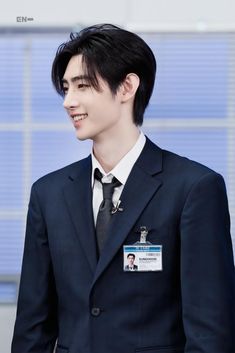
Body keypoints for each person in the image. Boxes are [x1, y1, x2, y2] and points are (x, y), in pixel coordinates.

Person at [12, 24, 235, 353]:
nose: (68, 101)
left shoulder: (194, 189)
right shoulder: (49, 194)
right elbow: (33, 329)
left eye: (83, 86)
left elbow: (211, 335)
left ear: (127, 86)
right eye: (65, 88)